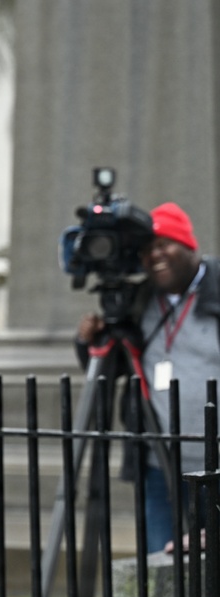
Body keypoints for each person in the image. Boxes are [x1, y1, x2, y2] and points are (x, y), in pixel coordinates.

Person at [76, 202, 219, 552]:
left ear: (188, 244)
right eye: (146, 249)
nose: (155, 255)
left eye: (164, 244)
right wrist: (88, 341)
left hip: (215, 466)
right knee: (162, 567)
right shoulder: (138, 300)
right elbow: (113, 370)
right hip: (158, 464)